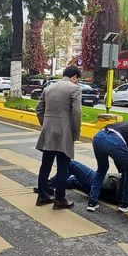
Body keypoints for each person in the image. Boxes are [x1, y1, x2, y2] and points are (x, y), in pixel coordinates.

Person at [35, 65, 82, 210]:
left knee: (46, 164)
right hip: (64, 132)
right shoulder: (75, 89)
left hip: (48, 131)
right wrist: (75, 133)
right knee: (63, 166)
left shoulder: (48, 88)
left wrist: (46, 125)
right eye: (77, 79)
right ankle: (60, 199)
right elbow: (76, 113)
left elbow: (39, 110)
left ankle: (42, 195)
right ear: (74, 77)